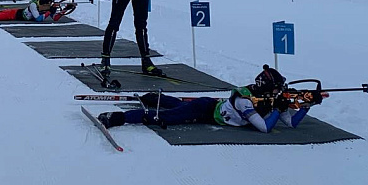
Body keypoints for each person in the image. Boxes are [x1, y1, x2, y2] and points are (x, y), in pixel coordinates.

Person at [97, 67, 321, 131]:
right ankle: (118, 118)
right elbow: (264, 127)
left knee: (178, 106)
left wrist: (307, 105)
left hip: (209, 107)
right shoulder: (245, 100)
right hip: (205, 110)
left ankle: (154, 97)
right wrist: (277, 108)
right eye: (276, 91)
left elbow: (291, 123)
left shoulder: (271, 100)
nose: (278, 94)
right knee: (163, 117)